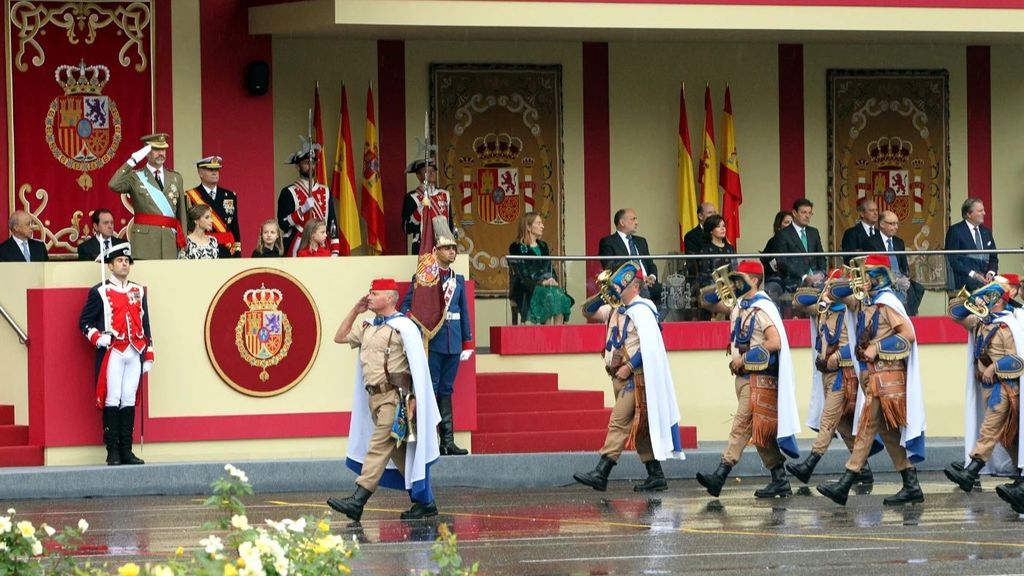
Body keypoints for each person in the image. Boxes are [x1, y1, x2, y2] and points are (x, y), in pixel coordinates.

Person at [327, 279, 441, 521]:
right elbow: (339, 337)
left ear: (390, 297)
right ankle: (426, 502)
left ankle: (358, 500)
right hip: (374, 398)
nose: (369, 296)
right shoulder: (368, 325)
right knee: (399, 453)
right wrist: (355, 311)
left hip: (395, 398)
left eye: (374, 293)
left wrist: (416, 400)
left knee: (378, 446)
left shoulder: (404, 327)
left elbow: (418, 368)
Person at [817, 254, 926, 506]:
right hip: (873, 377)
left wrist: (876, 347)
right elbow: (834, 293)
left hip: (887, 376)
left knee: (866, 428)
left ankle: (845, 483)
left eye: (865, 275)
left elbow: (907, 333)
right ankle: (912, 485)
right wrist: (851, 280)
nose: (860, 280)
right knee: (888, 434)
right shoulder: (866, 302)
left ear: (877, 278)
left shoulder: (887, 302)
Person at [573, 261, 684, 492]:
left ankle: (602, 471)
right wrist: (604, 294)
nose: (617, 289)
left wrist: (629, 367)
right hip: (617, 376)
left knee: (619, 422)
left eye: (621, 285)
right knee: (640, 428)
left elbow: (650, 347)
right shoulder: (615, 309)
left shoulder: (643, 310)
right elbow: (587, 311)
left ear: (635, 287)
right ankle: (656, 475)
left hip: (636, 378)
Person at [695, 260, 801, 499]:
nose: (735, 282)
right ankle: (780, 479)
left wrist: (744, 359)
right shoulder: (738, 305)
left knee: (741, 425)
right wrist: (721, 285)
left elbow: (774, 342)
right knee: (760, 431)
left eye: (739, 278)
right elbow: (706, 302)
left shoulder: (763, 307)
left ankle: (720, 474)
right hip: (743, 378)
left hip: (759, 377)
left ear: (753, 280)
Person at [785, 270, 873, 487]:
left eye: (834, 286)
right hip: (826, 372)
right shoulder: (824, 309)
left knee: (828, 419)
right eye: (827, 285)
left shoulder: (849, 308)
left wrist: (836, 358)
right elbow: (798, 302)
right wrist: (821, 295)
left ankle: (809, 465)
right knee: (842, 425)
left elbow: (857, 343)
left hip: (844, 373)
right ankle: (863, 468)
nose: (829, 288)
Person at [943, 278, 1021, 493]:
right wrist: (975, 301)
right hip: (987, 388)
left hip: (1004, 388)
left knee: (989, 429)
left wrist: (994, 367)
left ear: (997, 301)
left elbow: (1017, 359)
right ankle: (1020, 475)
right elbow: (954, 314)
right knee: (1008, 437)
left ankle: (971, 471)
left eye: (988, 297)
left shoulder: (1007, 326)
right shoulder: (981, 321)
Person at [78, 244, 151, 466]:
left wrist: (149, 353)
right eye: (119, 261)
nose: (124, 264)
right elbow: (84, 322)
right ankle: (113, 450)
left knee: (129, 398)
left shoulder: (138, 290)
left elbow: (145, 323)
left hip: (135, 349)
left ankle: (126, 450)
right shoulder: (99, 291)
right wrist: (98, 337)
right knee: (113, 398)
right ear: (110, 265)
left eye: (127, 261)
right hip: (113, 351)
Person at [400, 236, 473, 455]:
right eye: (447, 248)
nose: (452, 252)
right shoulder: (424, 278)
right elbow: (406, 307)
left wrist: (467, 341)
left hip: (453, 341)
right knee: (429, 389)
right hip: (432, 342)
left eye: (454, 248)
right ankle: (429, 441)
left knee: (446, 390)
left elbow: (464, 312)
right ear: (436, 251)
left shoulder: (457, 280)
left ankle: (447, 442)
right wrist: (417, 327)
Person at [108, 133, 187, 260]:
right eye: (156, 149)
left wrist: (184, 242)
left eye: (163, 149)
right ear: (146, 152)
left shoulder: (176, 177)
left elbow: (181, 212)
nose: (161, 153)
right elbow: (113, 184)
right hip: (145, 242)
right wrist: (132, 161)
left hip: (169, 241)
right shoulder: (135, 177)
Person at [507, 213, 574, 325]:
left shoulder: (543, 246)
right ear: (528, 227)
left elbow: (549, 267)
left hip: (547, 285)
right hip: (527, 286)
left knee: (558, 297)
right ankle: (547, 335)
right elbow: (521, 274)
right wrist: (542, 282)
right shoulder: (516, 247)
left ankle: (556, 336)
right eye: (538, 223)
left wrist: (552, 279)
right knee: (550, 296)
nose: (542, 226)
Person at [277, 142, 340, 257]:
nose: (310, 166)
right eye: (306, 163)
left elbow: (332, 221)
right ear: (297, 166)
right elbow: (283, 224)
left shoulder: (325, 190)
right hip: (298, 242)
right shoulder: (288, 192)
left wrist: (335, 249)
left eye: (313, 163)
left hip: (322, 244)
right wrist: (302, 209)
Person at [865, 210, 925, 316]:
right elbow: (873, 271)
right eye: (892, 223)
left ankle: (908, 321)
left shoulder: (899, 242)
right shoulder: (871, 242)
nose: (896, 227)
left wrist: (905, 279)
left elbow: (904, 267)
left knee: (915, 290)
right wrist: (895, 281)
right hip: (883, 283)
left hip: (901, 282)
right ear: (882, 224)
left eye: (897, 223)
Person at [598, 208, 660, 302]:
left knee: (671, 291)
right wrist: (639, 278)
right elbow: (610, 267)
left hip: (648, 285)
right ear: (622, 222)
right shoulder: (608, 242)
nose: (637, 222)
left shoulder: (641, 241)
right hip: (626, 286)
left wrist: (651, 277)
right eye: (633, 219)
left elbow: (651, 264)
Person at [185, 156, 241, 258]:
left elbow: (234, 226)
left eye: (217, 169)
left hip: (227, 250)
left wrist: (237, 251)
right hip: (203, 250)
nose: (215, 173)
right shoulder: (191, 196)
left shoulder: (229, 195)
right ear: (200, 172)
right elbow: (187, 227)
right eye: (211, 170)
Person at [769, 198, 827, 293]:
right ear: (794, 213)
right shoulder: (783, 234)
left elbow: (820, 256)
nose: (807, 216)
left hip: (817, 279)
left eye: (810, 213)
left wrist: (821, 273)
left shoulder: (814, 232)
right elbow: (782, 261)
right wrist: (804, 277)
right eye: (804, 212)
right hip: (794, 281)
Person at [402, 159, 455, 254]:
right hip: (421, 245)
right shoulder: (411, 197)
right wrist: (420, 209)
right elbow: (406, 228)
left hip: (443, 246)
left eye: (433, 170)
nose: (431, 173)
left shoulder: (444, 194)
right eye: (427, 171)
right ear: (418, 175)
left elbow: (449, 223)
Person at [945, 198, 998, 293]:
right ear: (969, 214)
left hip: (987, 284)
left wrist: (991, 272)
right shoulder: (955, 231)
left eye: (983, 210)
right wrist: (974, 275)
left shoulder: (986, 232)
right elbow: (952, 260)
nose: (984, 213)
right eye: (980, 211)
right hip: (964, 286)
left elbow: (993, 258)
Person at [696, 214, 736, 288]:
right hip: (713, 289)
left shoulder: (730, 249)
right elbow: (705, 276)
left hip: (731, 288)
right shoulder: (705, 250)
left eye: (724, 226)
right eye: (718, 226)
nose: (723, 229)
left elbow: (734, 271)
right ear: (711, 230)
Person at [760, 211, 792, 301]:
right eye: (787, 222)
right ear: (779, 226)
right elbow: (764, 265)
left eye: (792, 223)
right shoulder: (773, 242)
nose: (790, 225)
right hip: (775, 279)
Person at [840, 200, 878, 264]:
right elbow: (849, 259)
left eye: (876, 210)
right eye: (872, 210)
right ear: (862, 214)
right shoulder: (851, 233)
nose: (876, 213)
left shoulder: (880, 233)